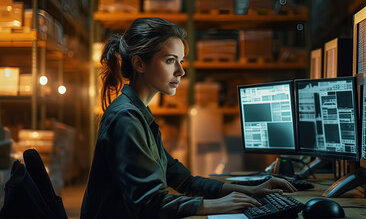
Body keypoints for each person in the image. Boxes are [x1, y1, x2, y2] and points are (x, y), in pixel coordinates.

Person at [80, 18, 297, 219]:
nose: (181, 71)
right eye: (170, 61)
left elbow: (183, 180)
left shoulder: (137, 112)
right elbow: (150, 203)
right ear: (139, 64)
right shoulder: (126, 118)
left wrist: (252, 189)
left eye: (181, 61)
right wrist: (218, 205)